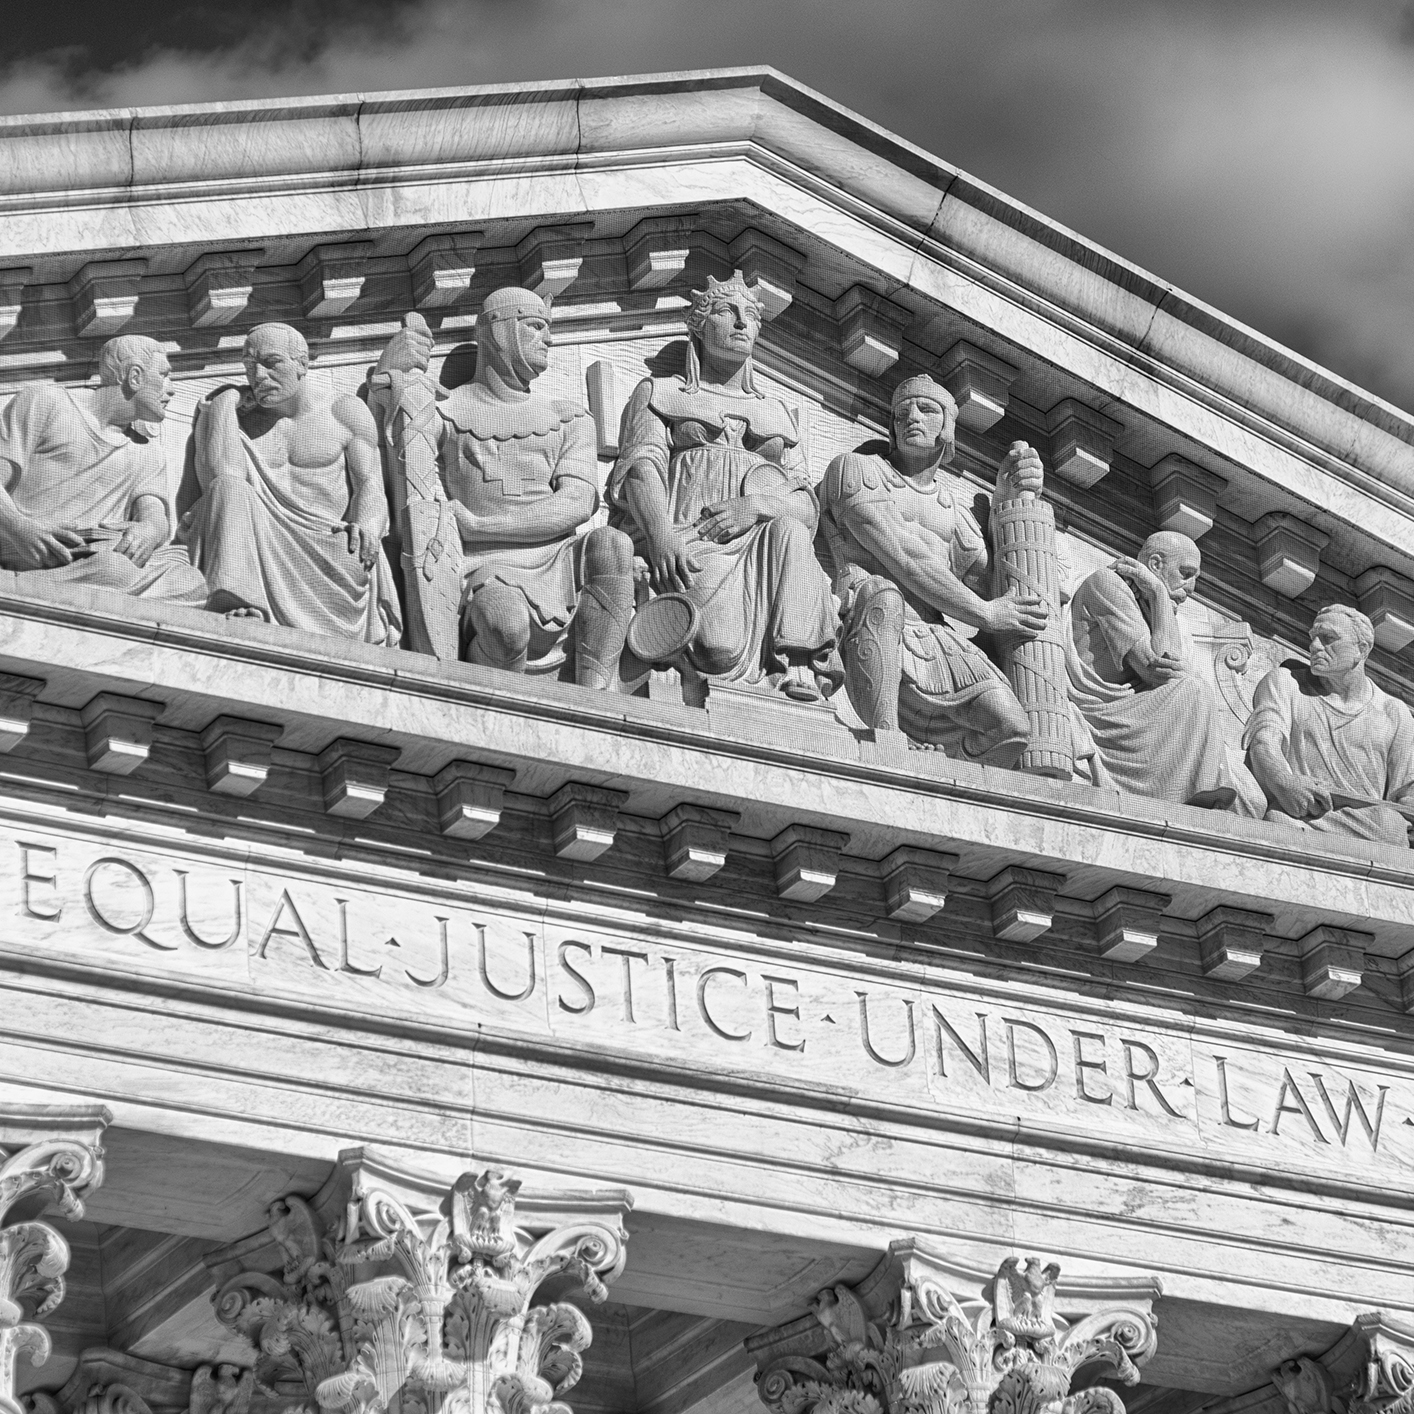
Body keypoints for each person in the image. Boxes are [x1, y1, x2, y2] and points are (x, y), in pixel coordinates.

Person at [371, 289, 633, 686]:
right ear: (499, 331)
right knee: (506, 626)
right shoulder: (445, 413)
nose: (549, 340)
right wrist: (391, 378)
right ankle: (503, 701)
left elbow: (579, 502)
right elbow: (400, 468)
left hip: (557, 556)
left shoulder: (569, 418)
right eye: (536, 327)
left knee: (612, 545)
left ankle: (597, 696)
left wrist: (479, 525)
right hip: (483, 565)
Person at [609, 270, 842, 702]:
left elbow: (806, 505)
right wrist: (660, 537)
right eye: (726, 312)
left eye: (750, 316)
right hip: (687, 540)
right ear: (698, 324)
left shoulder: (776, 412)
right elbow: (641, 468)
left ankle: (797, 663)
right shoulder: (658, 391)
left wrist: (755, 506)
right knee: (717, 645)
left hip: (765, 546)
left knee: (790, 531)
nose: (740, 323)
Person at [817, 373, 1045, 764]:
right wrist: (986, 614)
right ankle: (886, 739)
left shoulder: (952, 509)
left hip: (931, 632)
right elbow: (903, 555)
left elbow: (994, 584)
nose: (911, 418)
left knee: (1013, 728)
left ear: (948, 428)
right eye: (901, 413)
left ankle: (948, 760)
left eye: (926, 409)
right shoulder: (855, 470)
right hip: (866, 617)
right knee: (884, 595)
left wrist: (1011, 503)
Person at [179, 323, 401, 645]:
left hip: (328, 547)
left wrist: (367, 524)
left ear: (302, 363)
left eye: (271, 363)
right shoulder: (233, 419)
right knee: (230, 489)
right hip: (254, 550)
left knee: (352, 557)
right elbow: (221, 479)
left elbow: (370, 485)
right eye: (249, 366)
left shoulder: (343, 411)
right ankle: (239, 598)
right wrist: (224, 403)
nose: (258, 377)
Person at [0, 335, 205, 603]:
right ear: (135, 376)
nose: (172, 389)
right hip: (28, 547)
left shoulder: (146, 451)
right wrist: (21, 528)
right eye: (165, 375)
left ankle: (43, 585)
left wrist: (147, 532)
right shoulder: (46, 402)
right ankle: (20, 581)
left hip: (97, 553)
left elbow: (154, 518)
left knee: (191, 580)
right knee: (114, 570)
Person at [1065, 531, 1235, 807]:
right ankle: (1188, 796)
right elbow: (1157, 669)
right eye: (1186, 573)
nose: (1191, 588)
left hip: (1139, 712)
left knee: (1248, 792)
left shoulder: (1160, 611)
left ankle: (1192, 795)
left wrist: (1158, 601)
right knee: (1194, 690)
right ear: (1155, 565)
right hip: (1105, 712)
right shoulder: (1107, 584)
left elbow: (1169, 664)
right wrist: (1157, 592)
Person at [1245, 604, 1414, 845]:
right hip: (1304, 813)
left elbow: (1407, 792)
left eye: (1328, 639)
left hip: (1370, 824)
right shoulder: (1286, 683)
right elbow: (1263, 741)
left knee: (1391, 827)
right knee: (1279, 819)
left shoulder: (1394, 713)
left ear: (1362, 650)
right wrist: (1284, 782)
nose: (1314, 647)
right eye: (1314, 638)